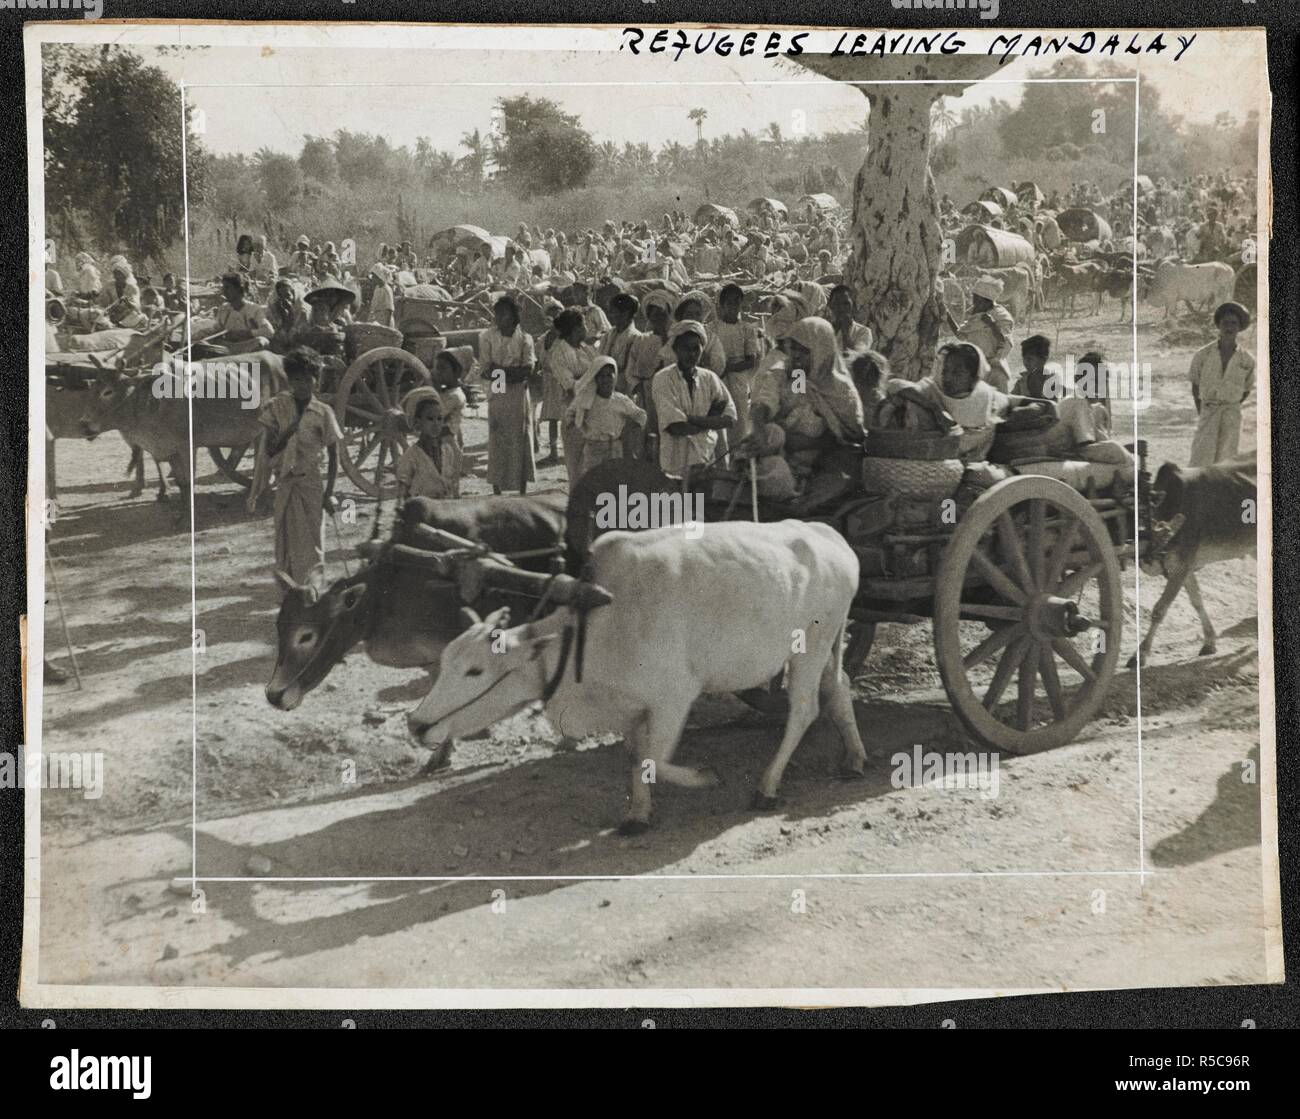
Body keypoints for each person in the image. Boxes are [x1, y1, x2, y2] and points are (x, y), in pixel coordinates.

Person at [249, 346, 342, 593]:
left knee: (313, 543)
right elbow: (267, 449)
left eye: (307, 379)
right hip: (285, 483)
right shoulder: (276, 408)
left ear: (317, 380)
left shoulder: (324, 413)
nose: (302, 385)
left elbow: (334, 455)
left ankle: (313, 592)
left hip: (312, 484)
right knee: (286, 539)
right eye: (297, 379)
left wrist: (329, 492)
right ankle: (291, 594)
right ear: (290, 380)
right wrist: (286, 434)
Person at [651, 320, 736, 479]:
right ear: (675, 349)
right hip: (675, 463)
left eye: (696, 348)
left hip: (705, 460)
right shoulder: (663, 379)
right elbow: (676, 428)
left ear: (702, 349)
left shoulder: (710, 378)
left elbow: (729, 419)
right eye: (686, 348)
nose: (691, 354)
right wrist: (710, 420)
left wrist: (691, 419)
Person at [479, 296, 537, 494]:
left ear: (513, 316)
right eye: (497, 314)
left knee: (520, 438)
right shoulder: (487, 337)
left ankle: (522, 488)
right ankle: (497, 488)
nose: (499, 318)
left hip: (518, 394)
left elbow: (528, 369)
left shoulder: (525, 339)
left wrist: (502, 371)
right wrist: (511, 373)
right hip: (499, 389)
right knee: (498, 436)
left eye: (504, 314)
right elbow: (486, 369)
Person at [1188, 301, 1255, 466]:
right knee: (1201, 455)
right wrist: (1203, 409)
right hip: (1208, 409)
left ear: (1239, 327)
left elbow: (1246, 389)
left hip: (1231, 412)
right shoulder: (1203, 355)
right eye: (1225, 322)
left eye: (1234, 323)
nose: (1229, 327)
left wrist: (1231, 403)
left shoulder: (1246, 360)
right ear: (1219, 325)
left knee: (1227, 457)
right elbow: (1195, 384)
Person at [567, 355, 647, 480]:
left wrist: (628, 430)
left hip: (615, 449)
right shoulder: (586, 399)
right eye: (601, 376)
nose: (605, 380)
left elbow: (641, 416)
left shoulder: (621, 400)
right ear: (595, 378)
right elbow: (570, 415)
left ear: (615, 377)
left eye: (609, 376)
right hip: (594, 449)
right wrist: (578, 425)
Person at [543, 309, 596, 482]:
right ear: (576, 328)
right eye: (584, 324)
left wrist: (586, 378)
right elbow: (572, 386)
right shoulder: (558, 353)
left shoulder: (587, 349)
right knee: (576, 468)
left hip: (594, 410)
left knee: (593, 464)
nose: (587, 327)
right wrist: (593, 377)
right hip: (574, 412)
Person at [712, 283, 761, 436]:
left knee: (739, 420)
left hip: (738, 380)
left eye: (737, 303)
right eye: (729, 303)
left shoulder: (747, 329)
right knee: (718, 417)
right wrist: (718, 369)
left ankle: (738, 453)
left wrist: (729, 368)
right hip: (716, 379)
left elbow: (751, 360)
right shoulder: (712, 328)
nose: (733, 307)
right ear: (722, 305)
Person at [396, 388, 460, 500]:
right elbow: (402, 495)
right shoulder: (411, 456)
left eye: (439, 419)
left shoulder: (448, 451)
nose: (436, 424)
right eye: (430, 419)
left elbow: (453, 487)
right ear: (417, 422)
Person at [959, 275, 1015, 392]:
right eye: (974, 298)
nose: (974, 303)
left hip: (994, 370)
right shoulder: (974, 315)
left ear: (987, 301)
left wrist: (992, 324)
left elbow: (1006, 343)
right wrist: (946, 314)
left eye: (977, 299)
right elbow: (961, 335)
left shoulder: (1001, 316)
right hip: (975, 368)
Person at [207, 272, 272, 353]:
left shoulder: (254, 309)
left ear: (239, 289)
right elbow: (216, 329)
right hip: (228, 346)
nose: (224, 291)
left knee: (261, 341)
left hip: (247, 346)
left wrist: (247, 333)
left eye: (228, 288)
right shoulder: (223, 308)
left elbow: (269, 331)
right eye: (224, 288)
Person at [266, 276, 310, 354]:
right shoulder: (275, 303)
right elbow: (274, 327)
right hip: (283, 336)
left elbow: (302, 326)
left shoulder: (302, 305)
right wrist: (282, 314)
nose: (285, 299)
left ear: (293, 293)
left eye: (287, 295)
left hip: (300, 336)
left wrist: (291, 311)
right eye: (281, 296)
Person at [828, 283, 872, 357]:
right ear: (830, 305)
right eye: (837, 303)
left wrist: (846, 332)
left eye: (846, 304)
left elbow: (854, 361)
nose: (841, 308)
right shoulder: (823, 329)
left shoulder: (863, 332)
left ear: (853, 305)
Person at [1011, 334, 1052, 398]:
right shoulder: (1022, 381)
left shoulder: (1052, 380)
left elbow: (1053, 406)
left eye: (1030, 359)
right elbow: (1011, 399)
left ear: (1043, 359)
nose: (1026, 362)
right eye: (1024, 358)